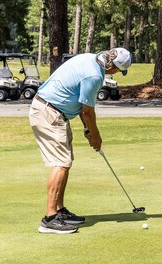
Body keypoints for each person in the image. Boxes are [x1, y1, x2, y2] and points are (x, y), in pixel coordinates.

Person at [29, 47, 132, 234]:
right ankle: (49, 218)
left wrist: (87, 130)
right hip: (49, 112)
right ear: (113, 68)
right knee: (61, 163)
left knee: (65, 162)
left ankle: (59, 210)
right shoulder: (94, 76)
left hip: (53, 111)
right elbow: (87, 111)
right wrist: (97, 136)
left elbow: (80, 103)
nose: (116, 73)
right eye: (118, 71)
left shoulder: (89, 58)